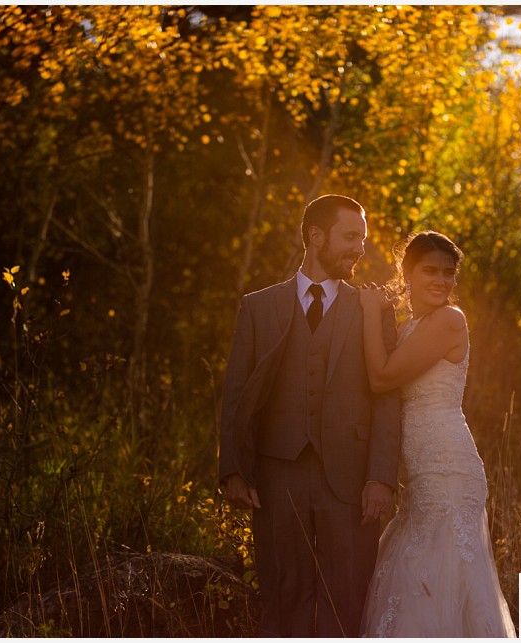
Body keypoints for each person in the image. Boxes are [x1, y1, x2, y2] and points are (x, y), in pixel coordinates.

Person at [219, 194, 402, 637]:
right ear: (316, 236)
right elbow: (235, 393)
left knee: (347, 598)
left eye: (363, 238)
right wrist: (233, 471)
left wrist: (381, 476)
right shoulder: (259, 307)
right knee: (283, 595)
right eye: (351, 237)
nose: (360, 248)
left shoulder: (373, 310)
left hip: (352, 479)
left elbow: (388, 399)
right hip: (277, 473)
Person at [358, 231, 516, 638]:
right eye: (430, 270)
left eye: (449, 274)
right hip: (422, 475)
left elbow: (381, 378)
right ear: (407, 272)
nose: (442, 281)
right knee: (415, 576)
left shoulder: (450, 320)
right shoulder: (412, 325)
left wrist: (368, 314)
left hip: (448, 468)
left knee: (437, 578)